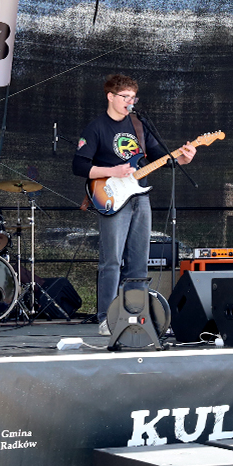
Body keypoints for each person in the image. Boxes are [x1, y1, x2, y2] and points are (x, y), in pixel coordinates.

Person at [73, 74, 195, 336]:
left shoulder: (139, 125)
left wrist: (181, 159)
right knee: (112, 261)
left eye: (133, 97)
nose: (130, 101)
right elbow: (79, 165)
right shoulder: (96, 128)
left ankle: (136, 315)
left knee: (139, 262)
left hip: (140, 197)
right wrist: (112, 171)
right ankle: (106, 318)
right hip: (112, 196)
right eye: (125, 97)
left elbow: (160, 157)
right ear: (110, 96)